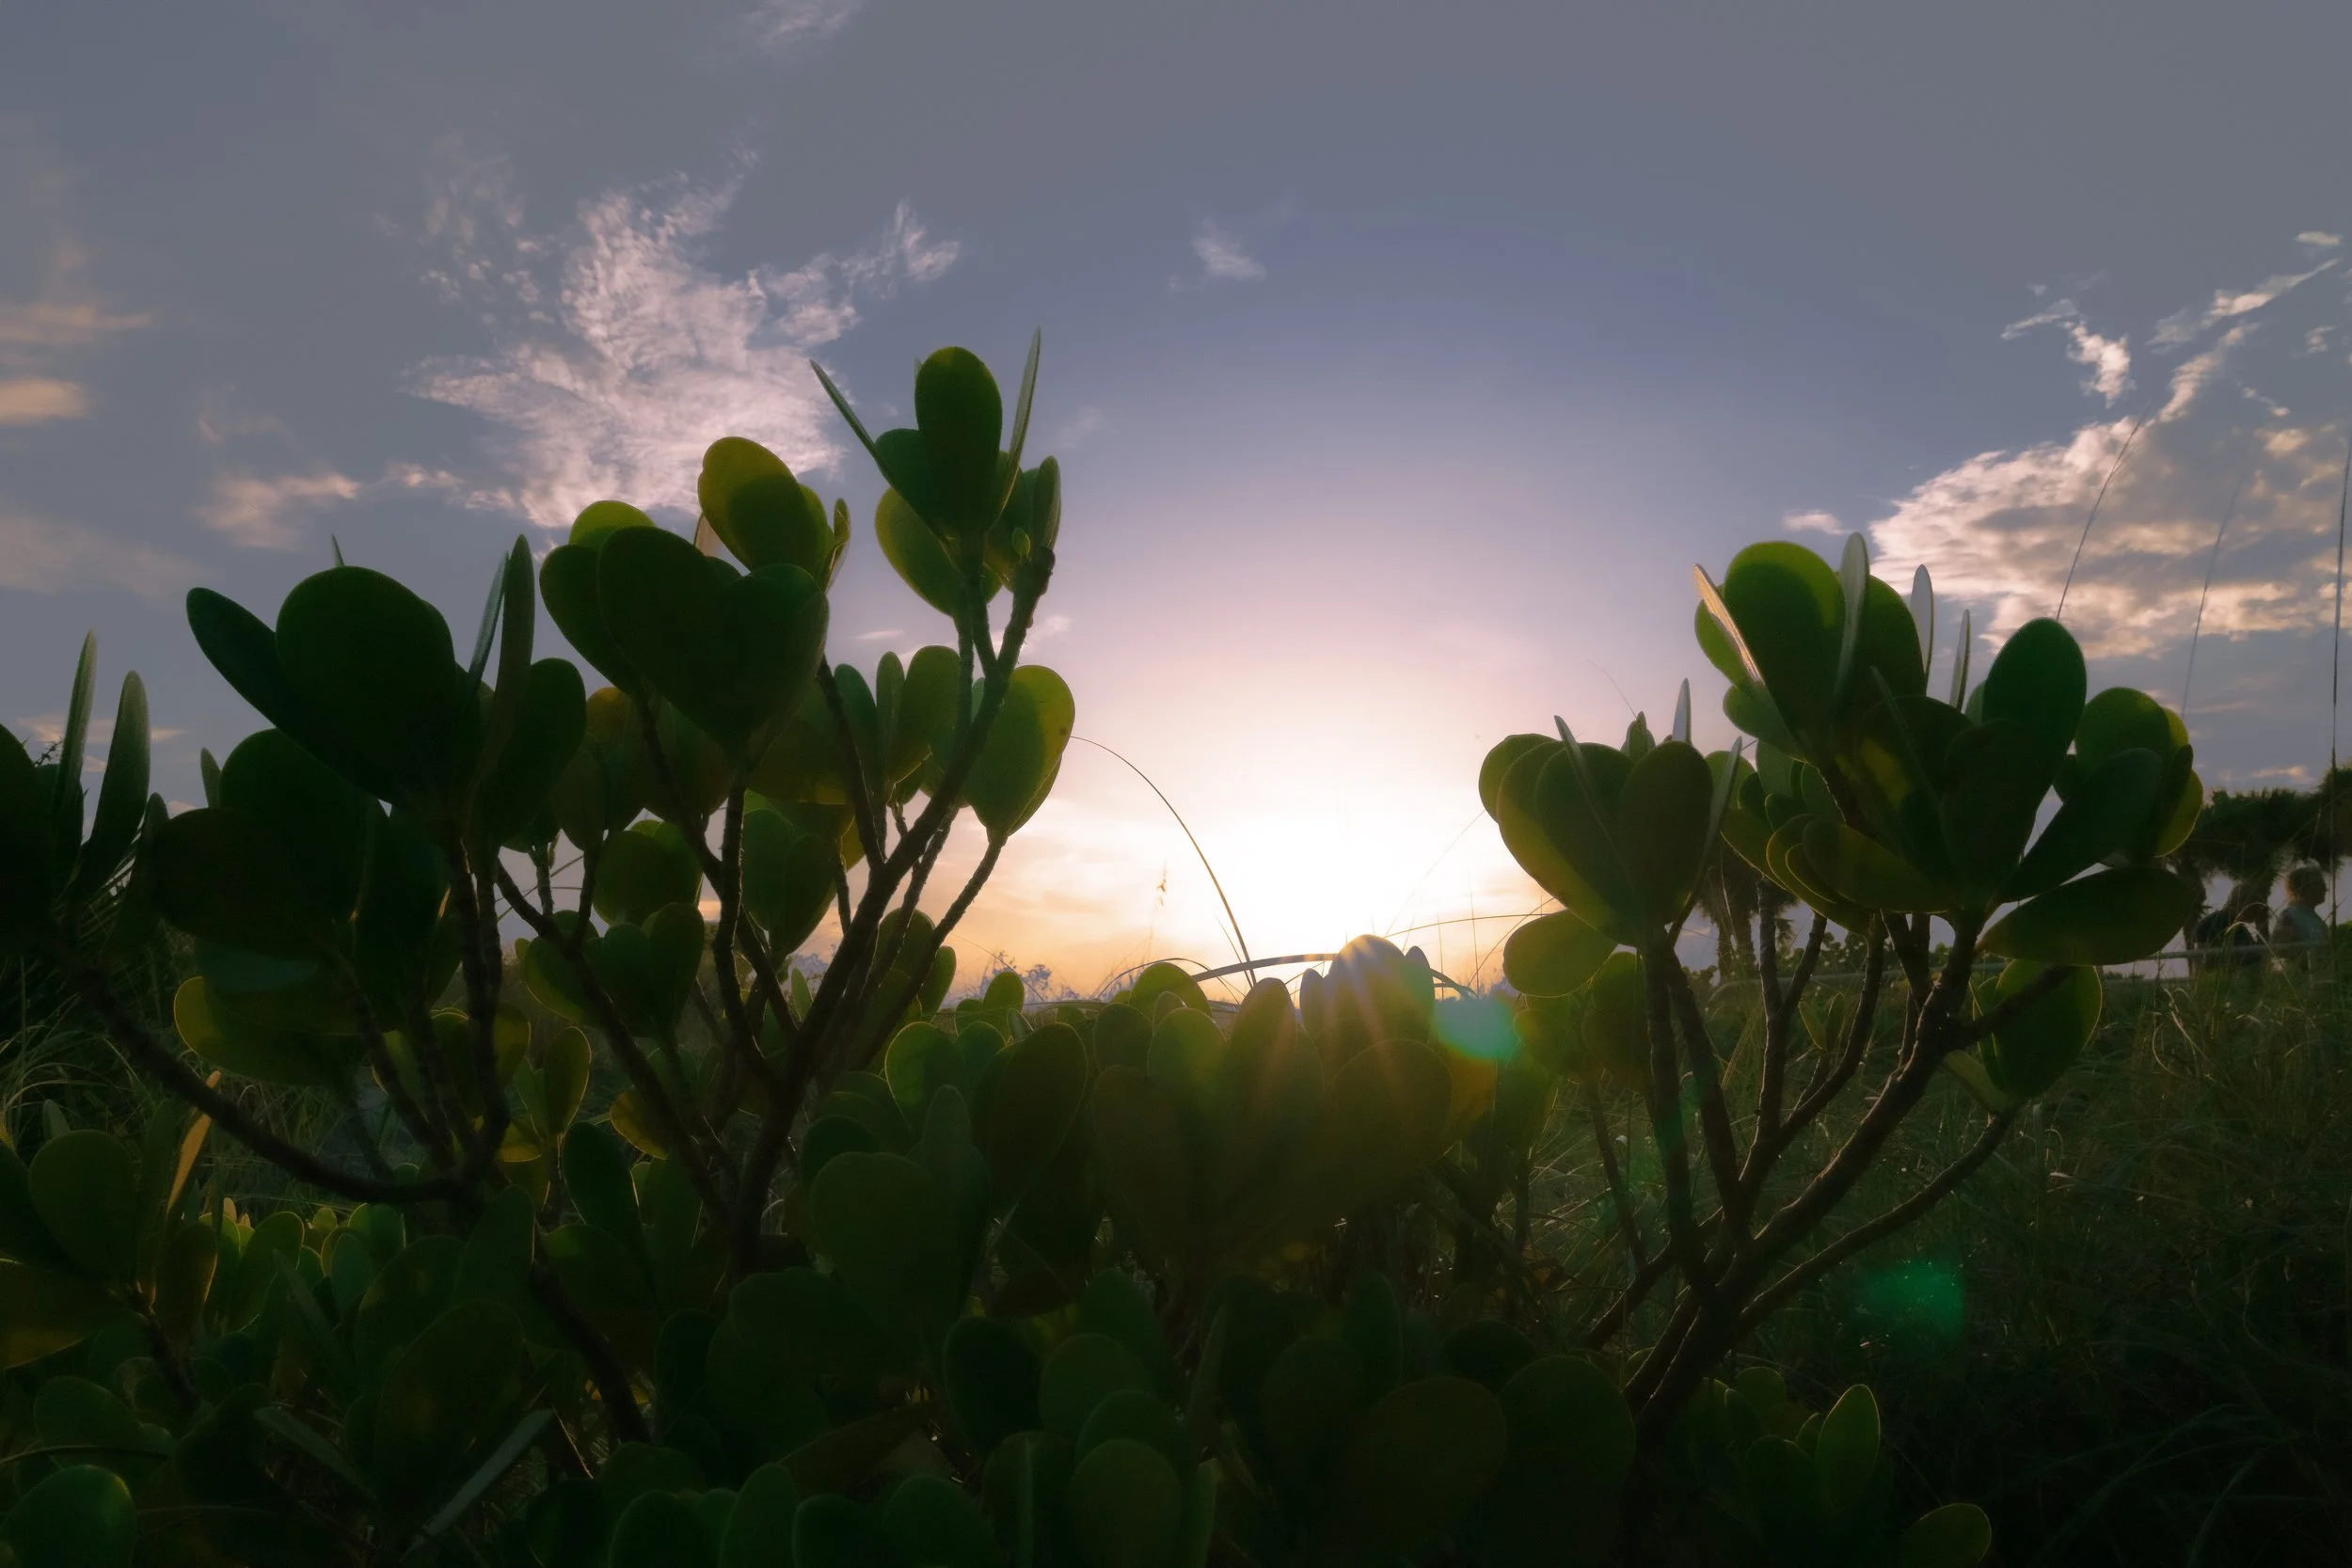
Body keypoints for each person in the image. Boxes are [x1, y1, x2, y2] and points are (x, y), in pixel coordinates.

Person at [2270, 864, 2329, 969]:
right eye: (2321, 885)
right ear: (2305, 887)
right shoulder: (2289, 916)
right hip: (2301, 976)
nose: (2326, 889)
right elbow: (2279, 950)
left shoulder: (2314, 918)